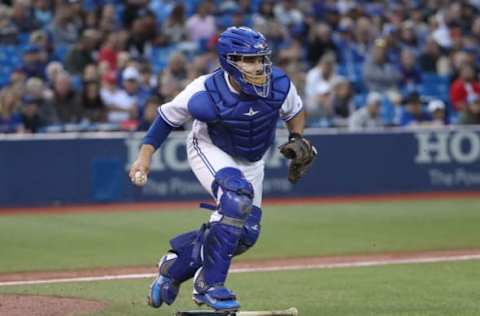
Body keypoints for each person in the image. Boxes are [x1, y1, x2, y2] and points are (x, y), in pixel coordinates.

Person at [129, 26, 316, 312]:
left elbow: (295, 112)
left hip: (252, 160)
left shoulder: (278, 83)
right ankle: (209, 287)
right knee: (235, 197)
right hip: (210, 147)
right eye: (248, 59)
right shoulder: (205, 89)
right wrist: (144, 157)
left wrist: (296, 138)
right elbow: (166, 118)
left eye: (261, 59)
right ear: (229, 60)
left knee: (245, 234)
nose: (258, 66)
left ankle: (173, 269)